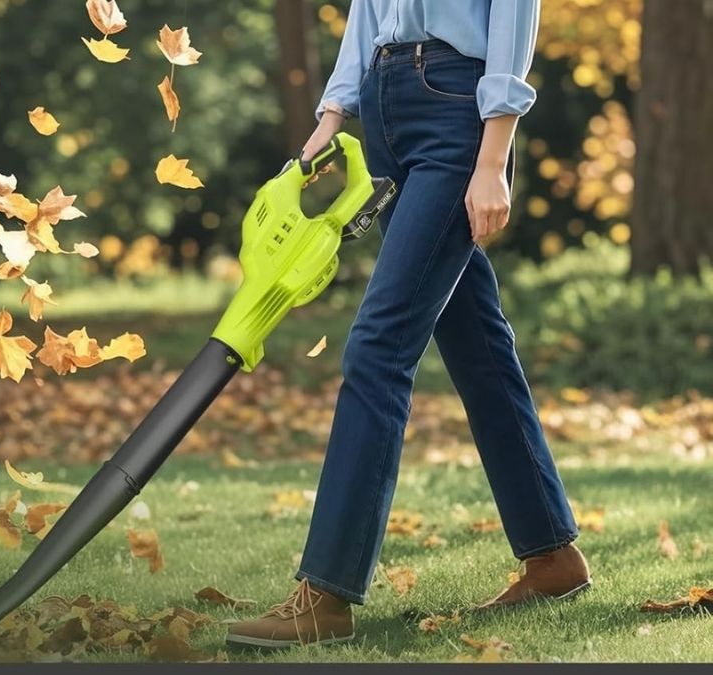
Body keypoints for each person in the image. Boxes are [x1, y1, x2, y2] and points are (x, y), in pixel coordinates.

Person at [226, 0, 592, 650]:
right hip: (385, 107)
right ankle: (552, 557)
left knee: (377, 347)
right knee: (478, 346)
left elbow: (515, 12)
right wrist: (332, 115)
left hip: (457, 109)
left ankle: (327, 593)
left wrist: (492, 160)